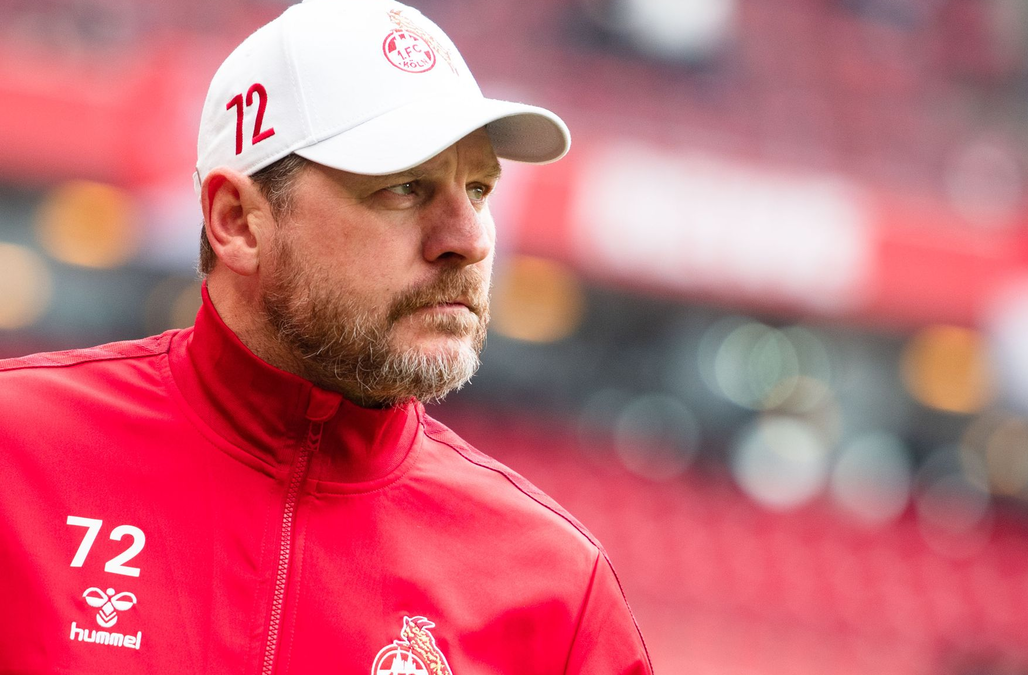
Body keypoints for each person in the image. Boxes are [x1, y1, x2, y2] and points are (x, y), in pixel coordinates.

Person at [0, 1, 652, 673]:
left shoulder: (557, 596)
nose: (470, 239)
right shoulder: (14, 457)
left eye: (479, 189)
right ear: (238, 222)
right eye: (403, 187)